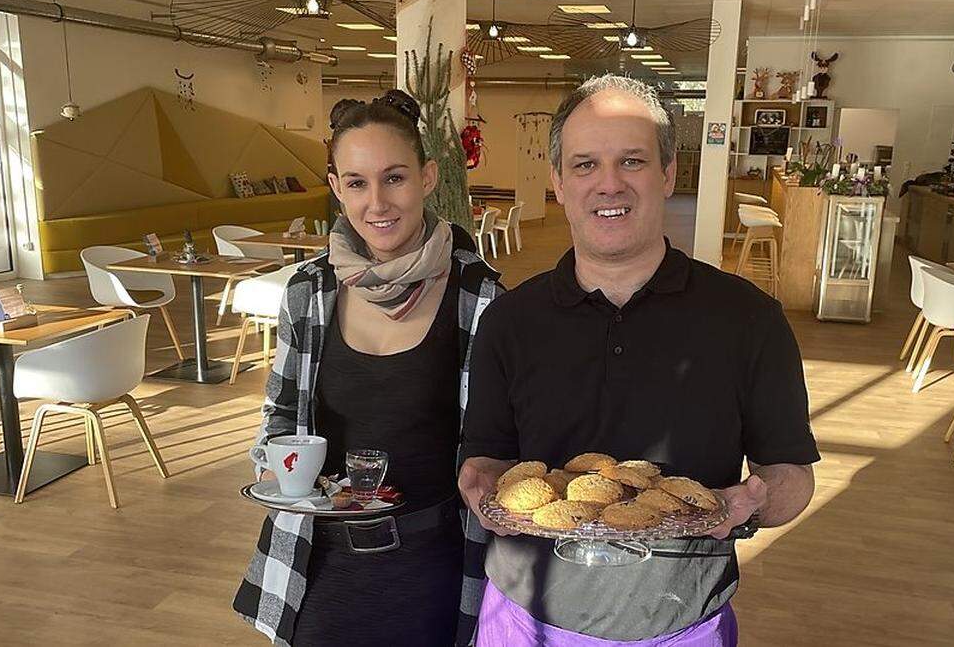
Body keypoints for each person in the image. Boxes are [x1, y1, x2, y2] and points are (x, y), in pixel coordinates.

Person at [458, 74, 819, 645]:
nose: (609, 185)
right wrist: (477, 481)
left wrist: (753, 502)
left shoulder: (749, 320)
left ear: (668, 173)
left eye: (631, 161)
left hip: (681, 623)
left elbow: (792, 477)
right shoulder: (508, 322)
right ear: (557, 179)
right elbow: (486, 459)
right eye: (584, 165)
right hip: (525, 621)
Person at [233, 90, 502, 647]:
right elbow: (282, 410)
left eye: (395, 178)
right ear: (336, 189)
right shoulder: (310, 290)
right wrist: (274, 466)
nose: (377, 202)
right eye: (356, 182)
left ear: (428, 178)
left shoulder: (480, 298)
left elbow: (499, 442)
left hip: (436, 567)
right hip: (318, 562)